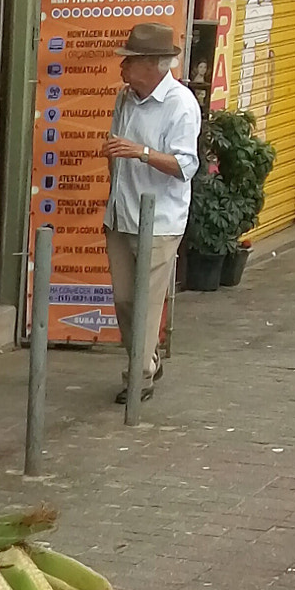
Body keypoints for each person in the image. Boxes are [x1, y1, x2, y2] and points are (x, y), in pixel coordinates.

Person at [100, 21, 201, 404]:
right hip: (121, 214)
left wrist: (139, 152)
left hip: (159, 221)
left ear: (153, 65)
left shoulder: (180, 105)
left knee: (144, 302)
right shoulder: (125, 98)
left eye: (129, 62)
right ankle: (149, 358)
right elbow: (117, 148)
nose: (122, 68)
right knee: (125, 299)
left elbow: (185, 166)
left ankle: (138, 377)